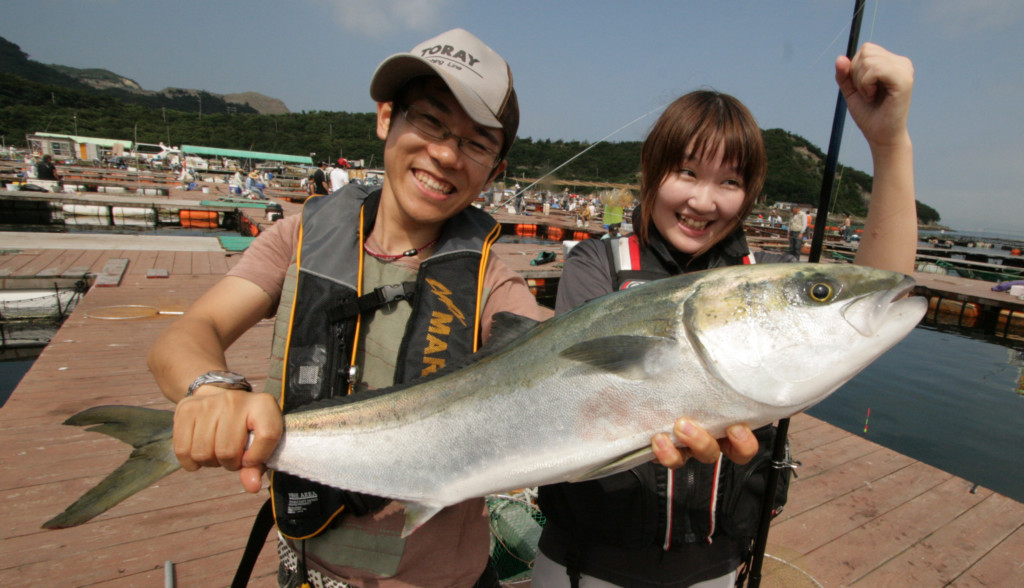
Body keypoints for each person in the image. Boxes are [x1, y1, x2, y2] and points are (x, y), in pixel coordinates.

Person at [147, 28, 542, 587]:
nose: (447, 154)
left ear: (495, 172)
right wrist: (211, 389)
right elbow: (188, 334)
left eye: (477, 144)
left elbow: (551, 348)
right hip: (307, 571)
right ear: (386, 118)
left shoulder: (492, 282)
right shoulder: (296, 241)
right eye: (430, 121)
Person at [532, 42, 916, 588]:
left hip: (712, 567)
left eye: (730, 182)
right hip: (585, 564)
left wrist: (889, 142)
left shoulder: (765, 278)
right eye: (686, 172)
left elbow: (887, 292)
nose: (703, 202)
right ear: (652, 170)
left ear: (750, 193)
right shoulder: (597, 263)